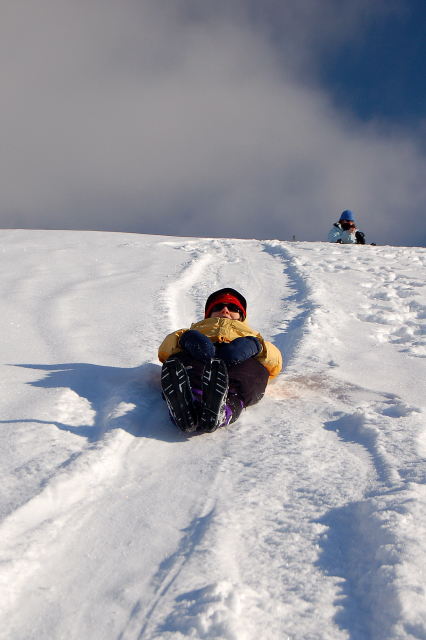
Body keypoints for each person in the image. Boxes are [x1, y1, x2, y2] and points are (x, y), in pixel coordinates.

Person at [158, 288, 282, 433]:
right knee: (185, 363)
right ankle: (187, 403)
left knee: (250, 372)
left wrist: (256, 346)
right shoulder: (196, 329)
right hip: (201, 357)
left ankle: (222, 409)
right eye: (218, 307)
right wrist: (185, 339)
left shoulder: (252, 335)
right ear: (208, 314)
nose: (224, 310)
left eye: (233, 308)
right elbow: (165, 351)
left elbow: (276, 362)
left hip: (238, 363)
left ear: (241, 316)